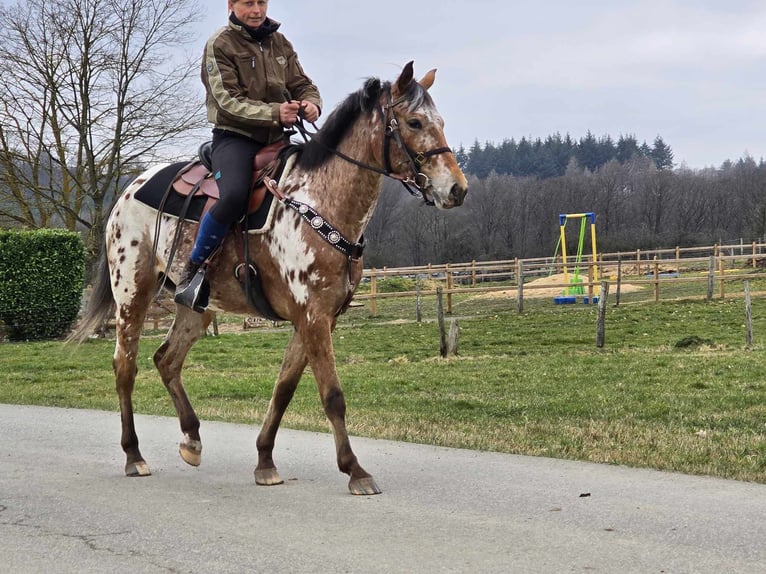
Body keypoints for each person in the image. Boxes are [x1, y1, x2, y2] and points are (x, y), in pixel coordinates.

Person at [175, 0, 322, 312]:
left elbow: (302, 84)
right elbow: (227, 100)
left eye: (261, 2)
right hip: (235, 139)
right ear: (231, 4)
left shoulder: (279, 42)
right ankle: (194, 269)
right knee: (234, 195)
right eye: (248, 3)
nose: (256, 10)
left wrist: (311, 104)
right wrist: (274, 112)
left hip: (278, 139)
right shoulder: (220, 44)